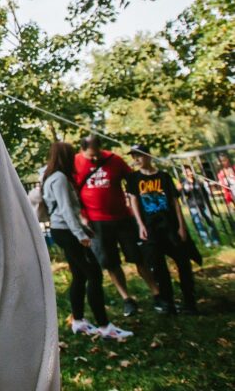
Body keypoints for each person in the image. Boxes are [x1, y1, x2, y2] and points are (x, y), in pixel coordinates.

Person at [42, 143, 131, 341]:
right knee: (94, 274)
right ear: (65, 157)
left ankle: (79, 321)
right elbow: (65, 210)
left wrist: (83, 229)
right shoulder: (60, 179)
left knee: (79, 276)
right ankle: (105, 326)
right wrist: (79, 234)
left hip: (64, 230)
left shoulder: (51, 177)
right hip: (67, 232)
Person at [73, 134, 157, 316]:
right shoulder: (75, 163)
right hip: (97, 223)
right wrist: (82, 216)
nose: (95, 159)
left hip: (122, 218)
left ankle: (156, 292)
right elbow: (73, 193)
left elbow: (133, 180)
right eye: (91, 156)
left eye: (97, 154)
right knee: (110, 262)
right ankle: (127, 298)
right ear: (82, 150)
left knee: (138, 256)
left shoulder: (114, 159)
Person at [125, 145, 198, 315]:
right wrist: (140, 225)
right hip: (150, 228)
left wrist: (181, 226)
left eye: (139, 156)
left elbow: (175, 202)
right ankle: (168, 303)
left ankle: (189, 302)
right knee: (158, 267)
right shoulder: (133, 179)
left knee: (183, 263)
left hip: (170, 227)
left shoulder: (164, 177)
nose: (136, 159)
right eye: (134, 156)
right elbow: (134, 202)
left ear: (149, 156)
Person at [181, 166, 221, 247]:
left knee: (210, 222)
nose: (189, 173)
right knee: (199, 224)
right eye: (187, 172)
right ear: (184, 173)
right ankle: (206, 241)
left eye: (190, 171)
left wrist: (210, 206)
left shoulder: (198, 181)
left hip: (203, 204)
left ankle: (215, 240)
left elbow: (205, 194)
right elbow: (182, 196)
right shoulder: (183, 183)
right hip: (193, 206)